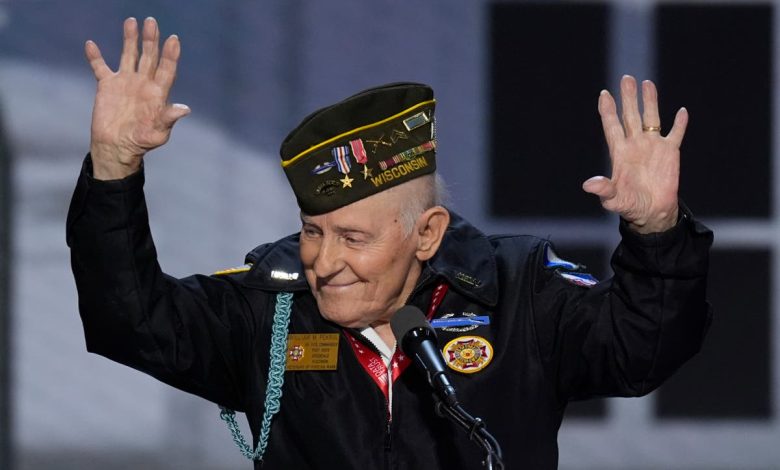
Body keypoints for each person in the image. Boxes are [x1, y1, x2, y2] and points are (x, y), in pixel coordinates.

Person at [67, 17, 713, 469]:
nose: (324, 261)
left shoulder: (521, 293)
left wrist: (656, 233)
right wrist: (113, 166)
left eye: (353, 237)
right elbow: (128, 318)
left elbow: (644, 349)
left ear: (426, 233)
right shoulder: (271, 309)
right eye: (313, 232)